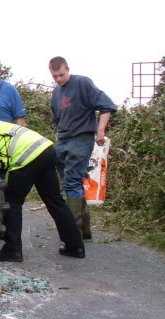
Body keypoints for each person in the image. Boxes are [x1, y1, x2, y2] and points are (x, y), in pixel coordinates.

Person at [0, 119, 85, 262]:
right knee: (55, 200)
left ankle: (13, 250)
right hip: (45, 148)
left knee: (12, 202)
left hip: (26, 155)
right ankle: (75, 246)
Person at [48, 56, 117, 239]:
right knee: (69, 184)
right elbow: (58, 119)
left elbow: (107, 106)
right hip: (62, 140)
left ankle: (73, 235)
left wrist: (100, 130)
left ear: (68, 69)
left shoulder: (82, 83)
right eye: (55, 76)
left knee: (71, 182)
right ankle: (84, 231)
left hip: (81, 138)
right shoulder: (56, 92)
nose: (59, 79)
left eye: (61, 75)